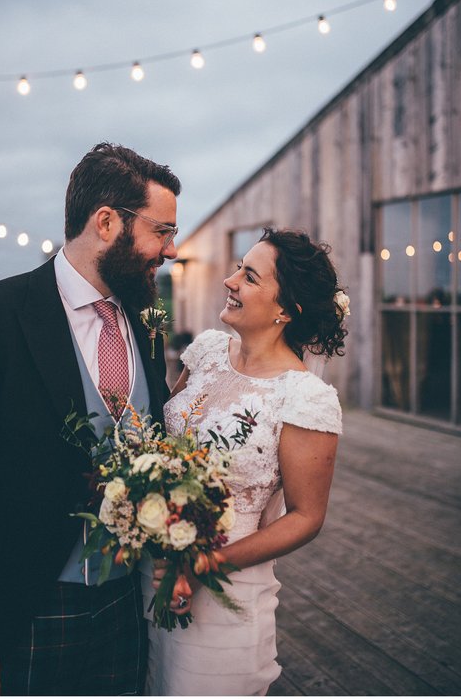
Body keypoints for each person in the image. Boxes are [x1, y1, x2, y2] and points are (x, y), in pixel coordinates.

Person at [0, 143, 182, 695]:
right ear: (106, 222)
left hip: (128, 601)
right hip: (36, 605)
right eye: (161, 231)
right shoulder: (4, 313)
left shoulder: (145, 315)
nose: (169, 250)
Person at [141, 228, 346, 695]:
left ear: (285, 310)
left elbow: (307, 517)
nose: (230, 280)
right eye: (238, 267)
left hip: (223, 596)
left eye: (249, 276)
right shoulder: (209, 352)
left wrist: (203, 563)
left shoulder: (304, 398)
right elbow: (163, 450)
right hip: (153, 575)